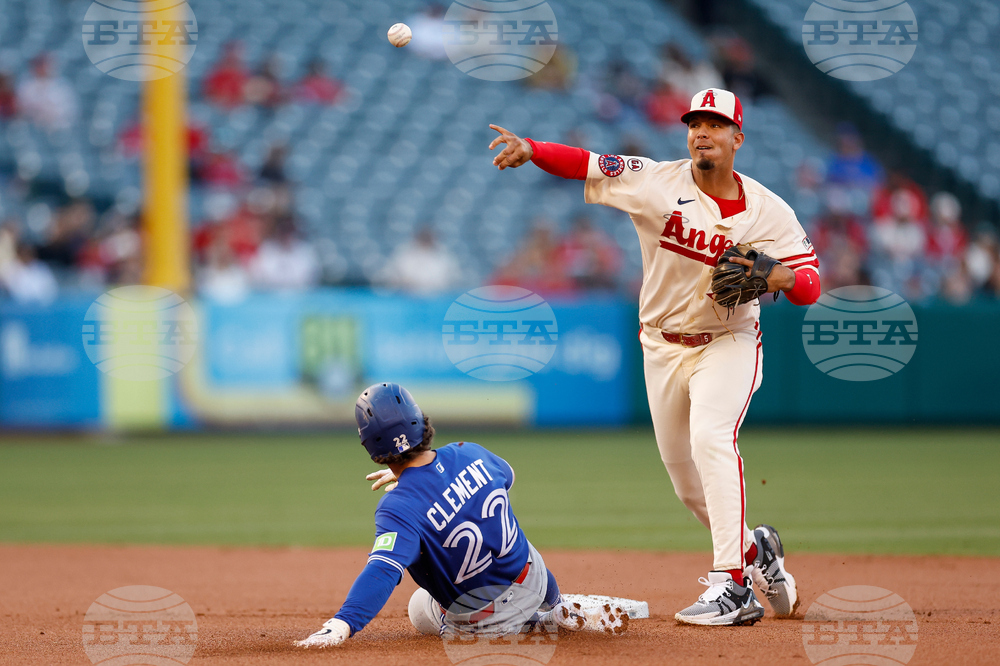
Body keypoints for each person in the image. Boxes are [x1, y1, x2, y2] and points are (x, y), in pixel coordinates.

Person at [488, 87, 818, 626]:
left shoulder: (768, 211)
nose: (703, 132)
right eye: (695, 123)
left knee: (712, 438)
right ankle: (758, 552)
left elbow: (810, 283)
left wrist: (777, 274)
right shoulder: (655, 180)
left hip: (727, 341)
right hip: (660, 346)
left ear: (738, 137)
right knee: (690, 489)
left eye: (715, 124)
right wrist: (532, 148)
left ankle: (731, 587)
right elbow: (588, 162)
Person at [295, 383, 629, 647]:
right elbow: (506, 477)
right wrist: (428, 481)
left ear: (371, 447)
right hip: (535, 578)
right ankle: (554, 605)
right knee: (510, 540)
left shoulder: (398, 506)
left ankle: (538, 623)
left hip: (487, 622)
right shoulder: (469, 451)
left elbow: (383, 571)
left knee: (419, 608)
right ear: (419, 419)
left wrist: (341, 624)